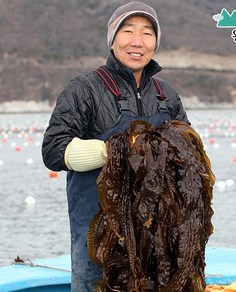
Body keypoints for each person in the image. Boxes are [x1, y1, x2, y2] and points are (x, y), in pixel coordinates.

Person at [42, 1, 189, 291]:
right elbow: (53, 151)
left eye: (147, 33)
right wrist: (115, 150)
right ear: (112, 40)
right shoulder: (84, 89)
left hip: (157, 239)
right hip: (98, 239)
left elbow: (188, 159)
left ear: (156, 43)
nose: (137, 41)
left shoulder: (166, 96)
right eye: (127, 31)